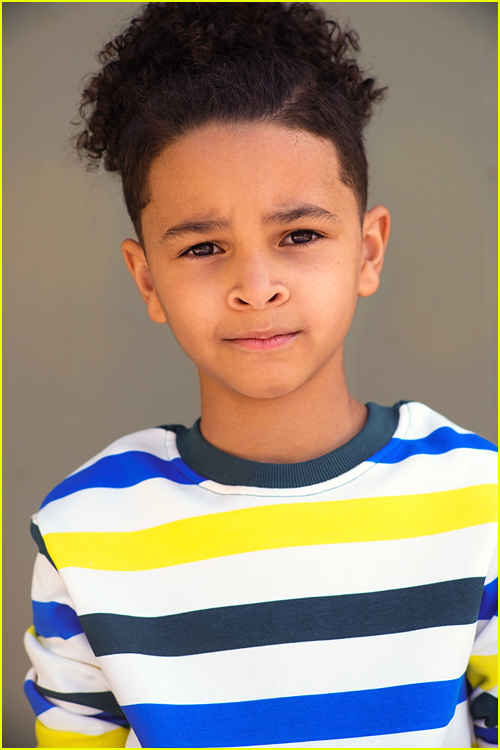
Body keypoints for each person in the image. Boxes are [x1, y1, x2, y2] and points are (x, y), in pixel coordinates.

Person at [23, 3, 497, 748]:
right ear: (146, 279)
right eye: (203, 248)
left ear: (368, 251)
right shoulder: (87, 531)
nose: (256, 285)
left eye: (299, 235)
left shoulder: (478, 500)